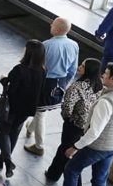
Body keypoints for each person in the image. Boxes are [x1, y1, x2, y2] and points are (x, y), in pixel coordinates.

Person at [24, 18, 79, 155]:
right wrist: (65, 83)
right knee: (40, 111)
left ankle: (39, 146)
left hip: (46, 83)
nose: (50, 25)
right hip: (61, 82)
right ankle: (30, 129)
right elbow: (73, 69)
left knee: (40, 113)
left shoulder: (46, 45)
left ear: (58, 29)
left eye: (53, 24)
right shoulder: (74, 45)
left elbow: (37, 67)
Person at [45, 59, 102, 185]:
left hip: (74, 124)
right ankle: (54, 173)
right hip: (88, 125)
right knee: (70, 149)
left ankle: (57, 175)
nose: (79, 67)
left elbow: (67, 107)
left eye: (83, 66)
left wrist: (67, 118)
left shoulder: (77, 86)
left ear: (89, 70)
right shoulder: (100, 87)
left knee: (65, 149)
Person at [0, 40, 45, 178]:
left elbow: (11, 90)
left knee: (3, 132)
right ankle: (3, 159)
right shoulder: (42, 71)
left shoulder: (19, 69)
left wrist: (3, 79)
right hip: (27, 109)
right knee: (14, 133)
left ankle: (8, 161)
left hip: (11, 107)